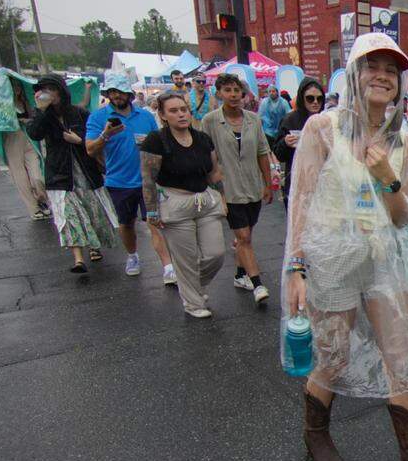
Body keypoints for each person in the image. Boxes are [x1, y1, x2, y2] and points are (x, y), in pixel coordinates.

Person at [282, 32, 408, 461]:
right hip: (331, 260)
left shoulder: (405, 142)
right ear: (353, 74)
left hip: (384, 264)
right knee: (332, 355)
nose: (382, 76)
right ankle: (316, 432)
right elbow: (301, 201)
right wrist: (296, 268)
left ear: (400, 83)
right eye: (372, 66)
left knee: (401, 358)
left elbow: (404, 216)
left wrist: (387, 177)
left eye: (391, 70)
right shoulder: (322, 128)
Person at [140, 91, 226, 318]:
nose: (180, 115)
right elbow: (148, 178)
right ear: (163, 115)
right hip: (175, 202)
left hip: (204, 200)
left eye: (183, 109)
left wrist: (223, 199)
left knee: (215, 254)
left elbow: (214, 172)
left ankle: (193, 288)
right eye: (174, 111)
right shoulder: (156, 140)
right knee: (186, 260)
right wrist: (151, 211)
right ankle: (194, 303)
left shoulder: (202, 138)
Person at [86, 73, 175, 283]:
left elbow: (159, 143)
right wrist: (105, 135)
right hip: (118, 182)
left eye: (120, 92)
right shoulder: (98, 118)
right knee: (126, 224)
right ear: (108, 94)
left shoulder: (144, 117)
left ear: (129, 93)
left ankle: (168, 266)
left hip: (147, 180)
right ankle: (132, 255)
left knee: (154, 221)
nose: (116, 96)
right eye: (112, 92)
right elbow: (90, 149)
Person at [27, 74, 119, 272]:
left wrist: (78, 140)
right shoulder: (42, 115)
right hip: (59, 174)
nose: (47, 94)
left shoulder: (78, 113)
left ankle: (95, 247)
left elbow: (93, 136)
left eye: (50, 89)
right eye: (43, 90)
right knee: (68, 216)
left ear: (60, 90)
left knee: (91, 210)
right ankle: (78, 259)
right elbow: (34, 133)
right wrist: (41, 111)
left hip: (85, 171)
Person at [201, 74, 274, 304]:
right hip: (228, 187)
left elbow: (262, 152)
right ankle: (257, 284)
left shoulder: (254, 119)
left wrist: (268, 183)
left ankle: (240, 274)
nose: (233, 95)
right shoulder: (210, 121)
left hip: (252, 186)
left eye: (236, 90)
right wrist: (215, 189)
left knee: (247, 235)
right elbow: (206, 156)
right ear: (219, 93)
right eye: (228, 90)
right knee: (243, 236)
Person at [0, 68, 50, 220]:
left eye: (18, 86)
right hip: (11, 140)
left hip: (30, 140)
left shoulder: (27, 102)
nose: (16, 89)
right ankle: (33, 208)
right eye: (13, 86)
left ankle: (42, 200)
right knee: (20, 177)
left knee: (38, 176)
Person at [273, 78, 325, 203]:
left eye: (319, 98)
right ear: (302, 98)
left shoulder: (326, 119)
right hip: (297, 181)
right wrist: (285, 143)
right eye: (310, 98)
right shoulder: (290, 120)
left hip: (322, 181)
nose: (315, 102)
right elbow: (278, 154)